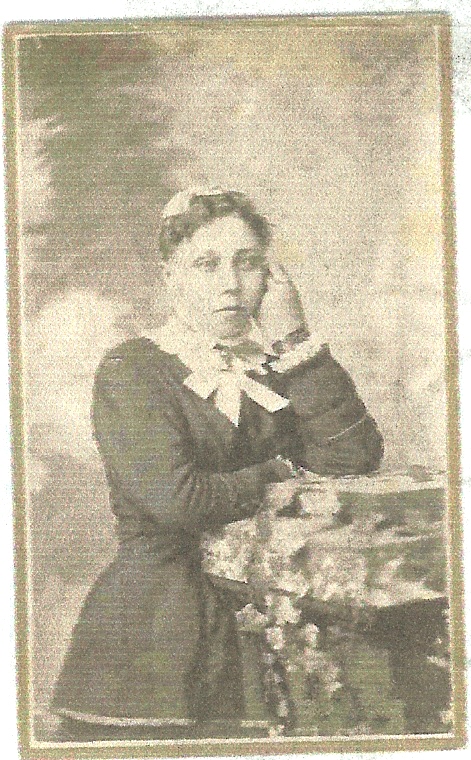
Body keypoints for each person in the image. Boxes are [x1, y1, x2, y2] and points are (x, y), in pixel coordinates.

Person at [51, 187, 383, 741]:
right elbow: (179, 500)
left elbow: (354, 458)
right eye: (206, 264)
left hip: (269, 621)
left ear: (270, 277)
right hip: (159, 631)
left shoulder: (274, 369)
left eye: (247, 263)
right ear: (170, 277)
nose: (230, 283)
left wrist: (295, 339)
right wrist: (281, 474)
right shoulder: (133, 370)